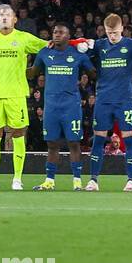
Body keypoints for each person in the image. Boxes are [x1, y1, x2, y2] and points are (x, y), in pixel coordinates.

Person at [0, 4, 48, 190]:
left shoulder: (24, 38)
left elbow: (47, 46)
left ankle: (17, 179)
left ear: (15, 19)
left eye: (9, 15)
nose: (5, 17)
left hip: (16, 94)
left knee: (19, 134)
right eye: (2, 15)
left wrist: (72, 44)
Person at [86, 13, 132, 192]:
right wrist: (81, 44)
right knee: (98, 139)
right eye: (109, 32)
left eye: (115, 32)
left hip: (124, 100)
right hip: (104, 100)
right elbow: (79, 47)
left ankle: (131, 180)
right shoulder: (99, 45)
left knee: (129, 140)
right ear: (105, 30)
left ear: (122, 28)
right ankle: (93, 180)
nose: (112, 36)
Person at [30, 24, 95, 191]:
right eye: (55, 32)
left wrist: (91, 53)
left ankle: (77, 182)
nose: (57, 35)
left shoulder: (78, 54)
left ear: (69, 36)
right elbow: (33, 72)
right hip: (51, 106)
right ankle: (49, 181)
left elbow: (94, 73)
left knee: (74, 143)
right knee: (52, 144)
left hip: (71, 106)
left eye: (61, 32)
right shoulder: (45, 53)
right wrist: (14, 67)